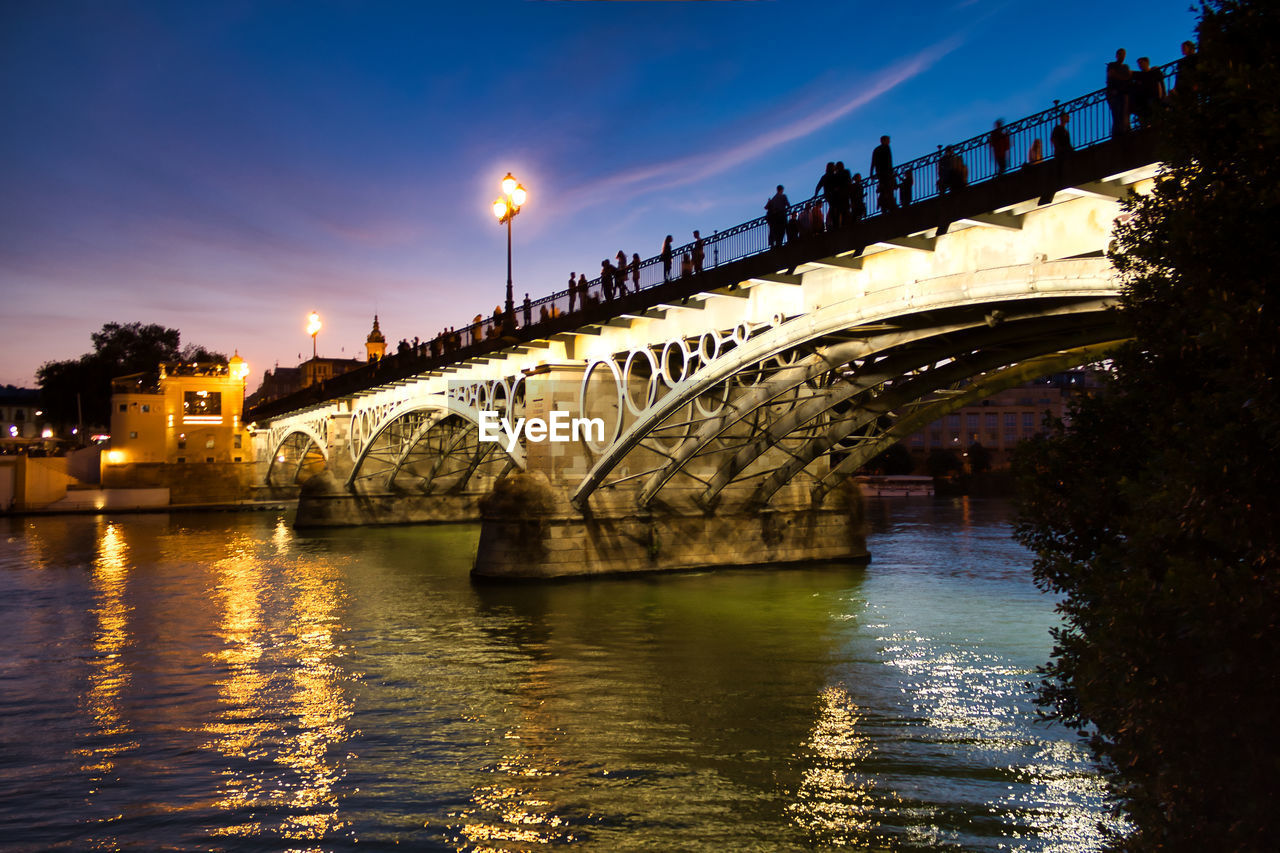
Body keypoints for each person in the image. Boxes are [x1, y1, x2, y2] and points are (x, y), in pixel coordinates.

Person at [1130, 57, 1166, 125]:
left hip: (1154, 98)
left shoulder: (1153, 72)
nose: (1140, 65)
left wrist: (1163, 95)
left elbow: (1161, 83)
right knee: (1145, 119)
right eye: (1139, 64)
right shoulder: (1139, 75)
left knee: (1154, 116)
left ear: (1147, 63)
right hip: (1143, 102)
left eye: (1141, 63)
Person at [1106, 48, 1132, 137]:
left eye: (1123, 54)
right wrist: (1124, 77)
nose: (1122, 56)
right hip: (1114, 94)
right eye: (1120, 54)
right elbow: (1111, 75)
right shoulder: (1112, 65)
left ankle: (1125, 132)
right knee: (1117, 115)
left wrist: (1119, 76)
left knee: (1124, 114)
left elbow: (1128, 77)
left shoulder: (1125, 67)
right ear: (1116, 55)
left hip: (1123, 93)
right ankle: (1117, 135)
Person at [870, 135, 897, 212]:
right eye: (888, 140)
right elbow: (889, 161)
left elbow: (873, 162)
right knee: (888, 189)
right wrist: (891, 172)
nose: (889, 142)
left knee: (884, 189)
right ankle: (891, 206)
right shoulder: (887, 148)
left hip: (880, 173)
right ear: (884, 140)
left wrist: (871, 173)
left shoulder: (876, 149)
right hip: (886, 173)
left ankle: (884, 206)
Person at [765, 184, 790, 248]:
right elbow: (788, 204)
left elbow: (767, 207)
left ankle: (776, 244)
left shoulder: (773, 198)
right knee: (784, 229)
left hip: (775, 217)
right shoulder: (783, 196)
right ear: (782, 190)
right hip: (782, 215)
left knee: (777, 231)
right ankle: (782, 243)